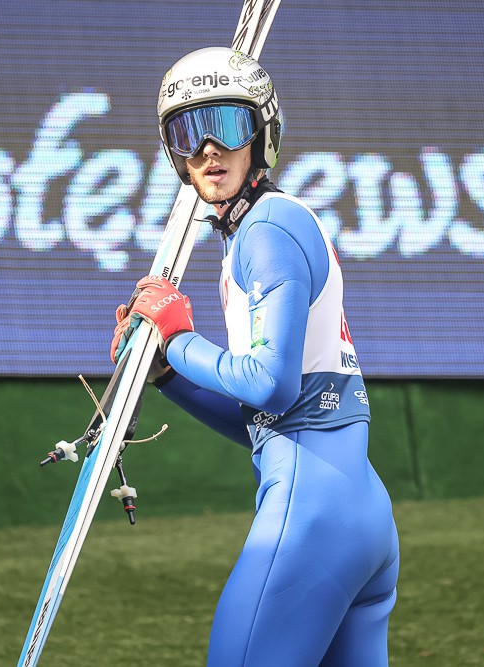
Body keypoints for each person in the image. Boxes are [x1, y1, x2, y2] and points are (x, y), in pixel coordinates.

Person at [110, 47, 399, 666]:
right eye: (188, 133)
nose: (208, 149)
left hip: (310, 519)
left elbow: (269, 385)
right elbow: (270, 420)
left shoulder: (265, 231)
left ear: (262, 135)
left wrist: (178, 337)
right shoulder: (266, 227)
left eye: (226, 125)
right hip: (359, 510)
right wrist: (170, 374)